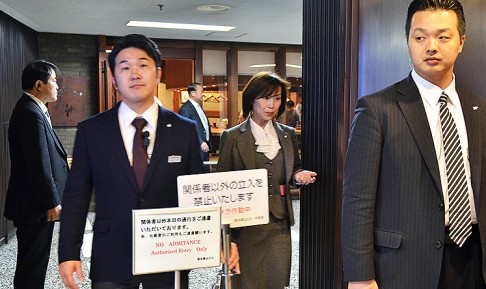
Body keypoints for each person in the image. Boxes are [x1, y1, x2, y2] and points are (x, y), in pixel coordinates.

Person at [58, 34, 239, 289]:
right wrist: (68, 251)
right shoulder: (92, 130)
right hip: (112, 253)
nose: (134, 74)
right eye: (124, 67)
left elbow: (199, 192)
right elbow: (76, 195)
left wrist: (221, 237)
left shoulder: (183, 129)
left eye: (143, 65)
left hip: (170, 252)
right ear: (113, 79)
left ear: (158, 74)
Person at [342, 1, 486, 289]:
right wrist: (360, 276)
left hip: (473, 259)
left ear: (461, 43)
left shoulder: (478, 108)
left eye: (443, 37)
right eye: (419, 37)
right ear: (407, 42)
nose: (431, 46)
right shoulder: (377, 108)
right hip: (404, 264)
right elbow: (357, 199)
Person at [216, 71, 317, 289]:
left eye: (277, 98)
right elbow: (221, 186)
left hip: (278, 226)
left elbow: (292, 171)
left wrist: (298, 177)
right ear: (252, 98)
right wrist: (224, 237)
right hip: (245, 229)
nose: (272, 104)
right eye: (265, 97)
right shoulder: (233, 137)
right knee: (245, 282)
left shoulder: (287, 134)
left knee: (275, 281)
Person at [4, 60, 69, 289]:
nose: (57, 86)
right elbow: (38, 164)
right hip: (35, 205)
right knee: (32, 266)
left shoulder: (34, 109)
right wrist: (52, 202)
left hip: (35, 203)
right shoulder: (30, 113)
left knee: (34, 264)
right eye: (54, 81)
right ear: (39, 85)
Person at [178, 83, 214, 164]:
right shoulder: (186, 109)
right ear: (193, 93)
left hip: (204, 148)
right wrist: (200, 142)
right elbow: (185, 130)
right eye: (201, 91)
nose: (203, 94)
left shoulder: (198, 107)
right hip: (196, 148)